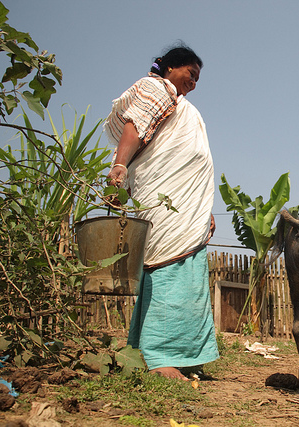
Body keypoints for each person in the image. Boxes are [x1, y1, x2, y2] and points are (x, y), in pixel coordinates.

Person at [104, 43, 218, 380]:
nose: (193, 82)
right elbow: (134, 127)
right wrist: (119, 168)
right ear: (170, 68)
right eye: (190, 74)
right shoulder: (158, 88)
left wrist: (202, 208)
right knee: (168, 271)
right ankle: (161, 357)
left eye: (198, 79)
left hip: (187, 209)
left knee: (189, 279)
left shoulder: (180, 104)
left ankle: (179, 355)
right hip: (167, 206)